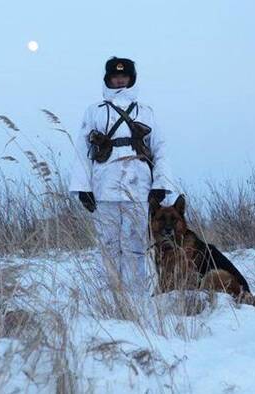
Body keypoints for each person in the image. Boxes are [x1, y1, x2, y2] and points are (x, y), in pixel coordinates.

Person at [69, 56, 175, 293]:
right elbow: (82, 151)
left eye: (124, 76)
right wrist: (83, 188)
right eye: (115, 77)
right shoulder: (94, 111)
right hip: (103, 187)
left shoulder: (146, 112)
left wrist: (160, 184)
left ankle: (136, 296)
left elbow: (160, 149)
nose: (119, 80)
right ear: (108, 79)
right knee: (108, 246)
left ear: (131, 78)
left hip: (138, 187)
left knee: (135, 246)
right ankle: (111, 296)